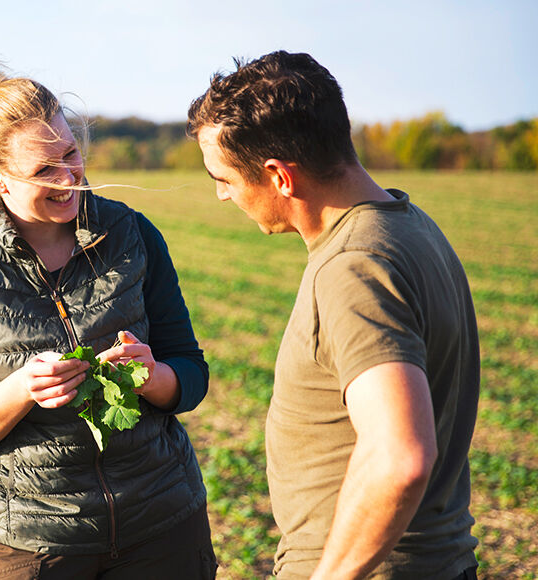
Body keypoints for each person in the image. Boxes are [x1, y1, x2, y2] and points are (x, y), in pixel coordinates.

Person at [0, 55, 217, 579]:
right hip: (29, 544)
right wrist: (21, 389)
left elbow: (189, 375)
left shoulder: (132, 234)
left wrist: (152, 376)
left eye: (72, 154)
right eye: (44, 171)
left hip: (162, 524)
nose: (70, 177)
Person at [187, 51, 479, 580]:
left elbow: (400, 458)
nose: (221, 193)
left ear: (279, 176)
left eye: (224, 178)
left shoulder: (353, 268)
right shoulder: (408, 223)